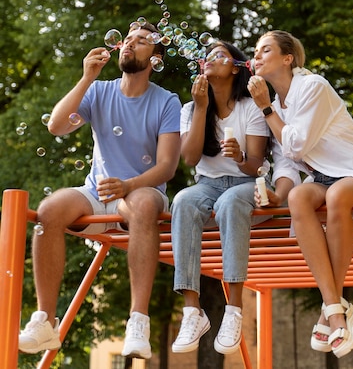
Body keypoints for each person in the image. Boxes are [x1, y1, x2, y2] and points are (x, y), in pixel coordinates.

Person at [18, 21, 181, 360]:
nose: (130, 44)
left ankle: (138, 320)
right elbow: (56, 126)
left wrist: (129, 185)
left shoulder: (167, 101)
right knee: (48, 211)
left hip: (139, 191)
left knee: (144, 205)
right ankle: (45, 320)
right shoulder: (99, 90)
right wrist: (86, 78)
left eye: (141, 41)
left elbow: (166, 166)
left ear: (155, 59)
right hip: (96, 192)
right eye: (128, 39)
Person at [248, 29, 353, 359]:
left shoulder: (313, 86)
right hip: (326, 181)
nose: (256, 56)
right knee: (299, 197)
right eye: (255, 51)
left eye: (265, 50)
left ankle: (332, 310)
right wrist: (275, 193)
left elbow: (296, 144)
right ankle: (335, 306)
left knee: (335, 196)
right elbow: (288, 161)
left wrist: (266, 109)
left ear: (288, 58)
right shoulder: (276, 106)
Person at [170, 40, 295, 356]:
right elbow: (189, 158)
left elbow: (255, 165)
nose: (211, 59)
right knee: (183, 200)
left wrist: (240, 156)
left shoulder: (250, 107)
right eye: (207, 56)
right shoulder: (190, 108)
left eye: (220, 55)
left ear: (236, 67)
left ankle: (234, 310)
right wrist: (200, 107)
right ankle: (192, 311)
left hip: (245, 182)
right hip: (207, 183)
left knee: (229, 202)